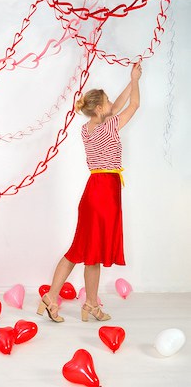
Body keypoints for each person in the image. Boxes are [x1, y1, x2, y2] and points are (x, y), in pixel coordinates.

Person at [37, 61, 142, 322]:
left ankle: (83, 302)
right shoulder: (109, 126)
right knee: (84, 251)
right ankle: (72, 301)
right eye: (106, 103)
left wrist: (132, 78)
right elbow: (133, 106)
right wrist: (137, 83)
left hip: (94, 191)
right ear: (98, 109)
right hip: (104, 192)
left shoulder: (88, 129)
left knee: (85, 251)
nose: (110, 105)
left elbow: (116, 107)